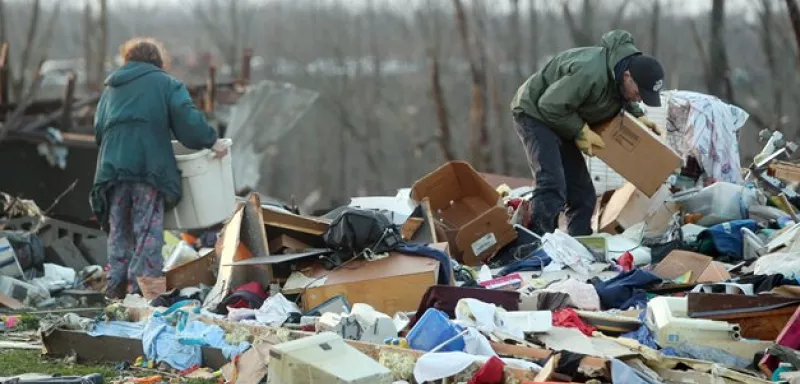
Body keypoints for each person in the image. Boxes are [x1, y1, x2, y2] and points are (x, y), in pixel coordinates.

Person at [91, 37, 229, 300]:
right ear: (158, 61)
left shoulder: (111, 88)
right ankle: (145, 293)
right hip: (147, 169)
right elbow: (187, 121)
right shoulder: (166, 84)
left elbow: (99, 131)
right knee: (147, 231)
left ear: (128, 59)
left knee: (119, 229)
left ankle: (116, 289)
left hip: (111, 171)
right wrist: (212, 141)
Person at [510, 29, 664, 237]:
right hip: (535, 113)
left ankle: (577, 248)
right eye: (639, 94)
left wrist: (638, 116)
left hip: (563, 117)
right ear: (628, 76)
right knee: (552, 185)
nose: (639, 99)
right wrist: (581, 131)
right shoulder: (590, 73)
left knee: (583, 196)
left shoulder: (619, 76)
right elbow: (549, 105)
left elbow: (618, 98)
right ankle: (534, 246)